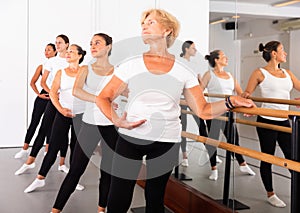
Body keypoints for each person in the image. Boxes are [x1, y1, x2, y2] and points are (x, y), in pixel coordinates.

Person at [96, 8, 255, 213]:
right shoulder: (130, 64)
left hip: (166, 141)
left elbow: (204, 110)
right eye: (143, 24)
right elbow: (103, 97)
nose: (144, 26)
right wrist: (116, 120)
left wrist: (231, 102)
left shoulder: (184, 70)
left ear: (167, 30)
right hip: (130, 138)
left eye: (150, 22)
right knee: (118, 198)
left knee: (155, 199)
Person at [51, 33, 119, 213]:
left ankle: (101, 209)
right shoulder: (85, 69)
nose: (93, 46)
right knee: (75, 171)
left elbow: (124, 92)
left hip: (111, 126)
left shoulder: (117, 71)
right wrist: (100, 99)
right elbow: (77, 91)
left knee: (108, 172)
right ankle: (55, 210)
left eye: (98, 43)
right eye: (91, 43)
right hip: (90, 125)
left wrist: (119, 100)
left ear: (109, 46)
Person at [242, 41, 300, 208]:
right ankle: (271, 193)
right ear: (274, 53)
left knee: (293, 156)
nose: (285, 53)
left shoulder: (288, 73)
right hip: (266, 121)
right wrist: (249, 104)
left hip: (285, 120)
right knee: (267, 157)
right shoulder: (260, 73)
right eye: (282, 50)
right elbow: (247, 93)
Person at [23, 44, 86, 193]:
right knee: (52, 147)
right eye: (68, 51)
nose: (68, 53)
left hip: (80, 115)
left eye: (72, 51)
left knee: (76, 148)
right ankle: (40, 178)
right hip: (62, 114)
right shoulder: (60, 72)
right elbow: (53, 93)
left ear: (79, 55)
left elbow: (96, 89)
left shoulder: (85, 71)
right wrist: (61, 110)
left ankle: (73, 180)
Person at [15, 35, 70, 175]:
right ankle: (30, 161)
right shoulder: (51, 61)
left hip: (66, 100)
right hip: (52, 98)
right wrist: (52, 93)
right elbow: (43, 82)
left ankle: (62, 164)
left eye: (60, 42)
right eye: (56, 42)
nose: (57, 44)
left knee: (63, 133)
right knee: (44, 128)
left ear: (67, 44)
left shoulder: (71, 60)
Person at [201, 50, 255, 181]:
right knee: (212, 141)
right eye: (224, 56)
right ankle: (214, 168)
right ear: (216, 60)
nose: (227, 58)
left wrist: (248, 100)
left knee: (234, 140)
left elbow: (240, 93)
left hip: (228, 113)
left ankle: (242, 164)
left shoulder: (230, 75)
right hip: (213, 112)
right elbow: (198, 92)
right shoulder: (209, 75)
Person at [14, 43, 57, 159]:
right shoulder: (41, 67)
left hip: (54, 97)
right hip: (43, 96)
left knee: (50, 125)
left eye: (49, 50)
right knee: (34, 122)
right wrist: (39, 94)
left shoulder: (60, 66)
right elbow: (32, 82)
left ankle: (47, 150)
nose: (46, 52)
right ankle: (25, 148)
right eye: (45, 50)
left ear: (55, 51)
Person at [179, 40, 208, 167]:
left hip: (193, 99)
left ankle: (210, 152)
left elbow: (199, 82)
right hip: (182, 99)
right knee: (183, 126)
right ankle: (184, 155)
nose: (195, 50)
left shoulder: (194, 64)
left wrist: (200, 89)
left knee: (201, 124)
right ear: (186, 49)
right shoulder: (180, 63)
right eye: (193, 48)